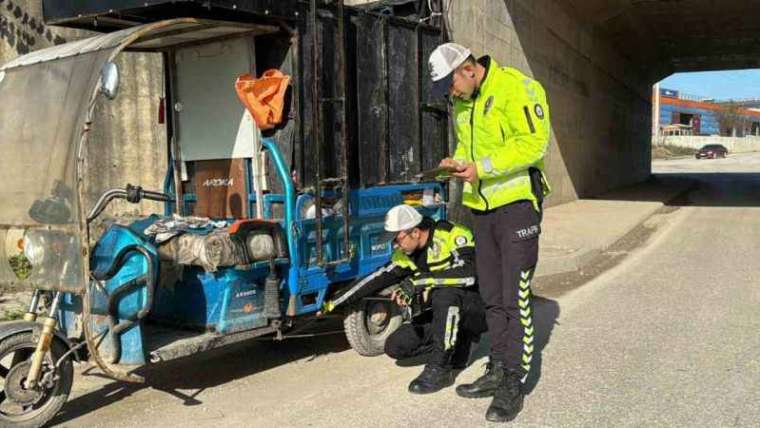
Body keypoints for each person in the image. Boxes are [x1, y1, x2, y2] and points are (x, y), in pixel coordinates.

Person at [428, 42, 551, 422]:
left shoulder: (518, 88)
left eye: (451, 84)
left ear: (467, 69)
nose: (451, 93)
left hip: (516, 207)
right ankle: (497, 367)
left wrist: (483, 166)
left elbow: (534, 143)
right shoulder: (464, 103)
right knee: (493, 296)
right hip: (481, 210)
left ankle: (514, 382)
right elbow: (469, 145)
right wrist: (458, 162)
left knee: (515, 298)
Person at [321, 204, 487, 394]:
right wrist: (335, 302)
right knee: (395, 347)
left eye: (397, 240)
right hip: (442, 316)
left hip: (476, 309)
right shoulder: (406, 253)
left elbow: (470, 274)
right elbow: (376, 278)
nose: (395, 246)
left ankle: (440, 367)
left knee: (445, 293)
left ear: (415, 232)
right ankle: (455, 344)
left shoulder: (453, 234)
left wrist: (418, 282)